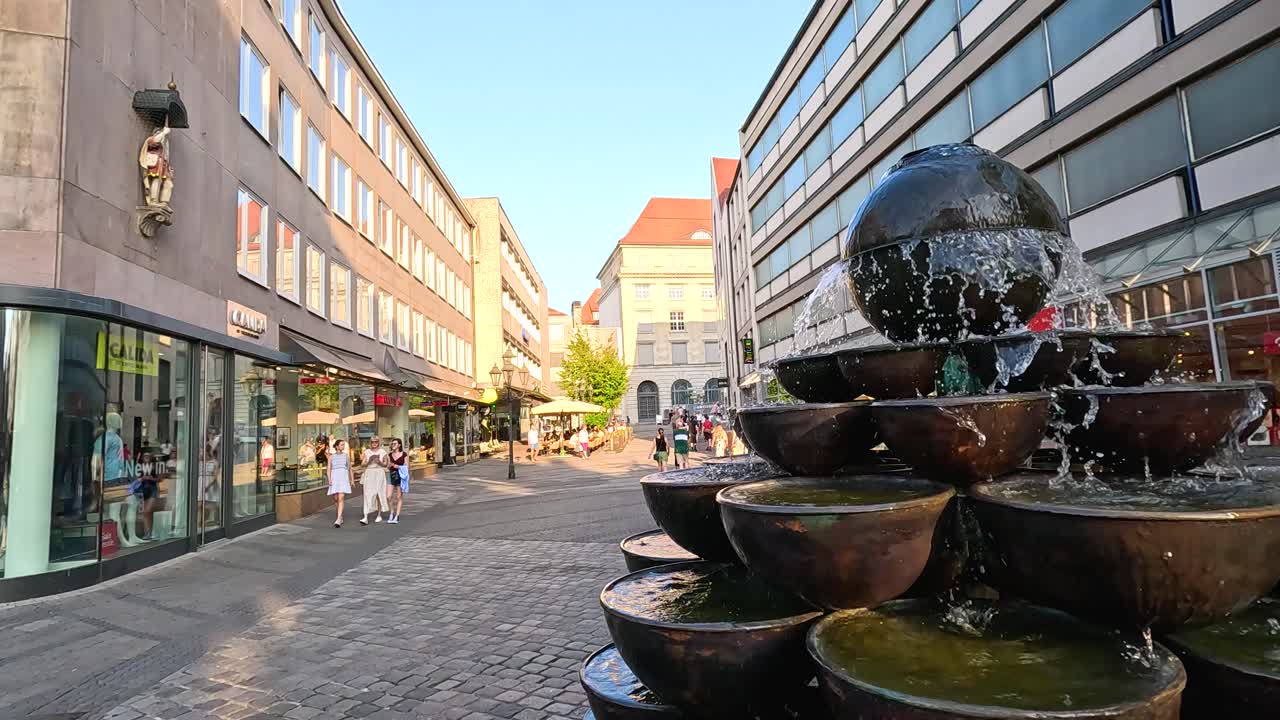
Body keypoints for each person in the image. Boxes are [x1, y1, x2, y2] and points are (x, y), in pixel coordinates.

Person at [359, 436, 390, 525]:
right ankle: (365, 516)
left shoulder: (382, 452)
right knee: (367, 493)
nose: (374, 443)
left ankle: (379, 514)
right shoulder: (367, 452)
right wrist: (369, 461)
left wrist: (379, 462)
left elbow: (385, 464)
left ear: (378, 442)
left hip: (379, 473)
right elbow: (362, 464)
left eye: (376, 442)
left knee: (378, 493)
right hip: (369, 473)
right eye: (372, 442)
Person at [328, 439, 352, 527]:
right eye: (342, 445)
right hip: (335, 478)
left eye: (344, 445)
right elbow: (329, 469)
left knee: (341, 497)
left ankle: (338, 519)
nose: (343, 446)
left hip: (343, 478)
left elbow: (349, 468)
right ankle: (340, 515)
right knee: (336, 498)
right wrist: (329, 479)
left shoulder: (346, 456)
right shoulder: (331, 457)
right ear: (337, 446)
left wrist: (351, 479)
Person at [387, 438, 409, 524]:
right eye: (392, 444)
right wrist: (389, 465)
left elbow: (407, 466)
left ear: (399, 445)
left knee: (399, 497)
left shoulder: (404, 454)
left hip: (400, 476)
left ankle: (397, 515)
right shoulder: (389, 455)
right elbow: (388, 466)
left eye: (395, 444)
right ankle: (391, 512)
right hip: (391, 475)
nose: (393, 445)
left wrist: (398, 466)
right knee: (388, 496)